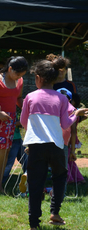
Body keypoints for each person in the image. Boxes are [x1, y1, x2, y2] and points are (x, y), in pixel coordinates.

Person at [20, 57, 88, 230]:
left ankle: (34, 223)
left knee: (35, 183)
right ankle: (54, 212)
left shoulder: (30, 97)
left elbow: (23, 121)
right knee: (59, 179)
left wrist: (33, 135)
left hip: (36, 145)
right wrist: (76, 114)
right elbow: (66, 124)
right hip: (57, 146)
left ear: (38, 78)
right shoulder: (62, 99)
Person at [0, 56, 28, 188]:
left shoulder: (20, 81)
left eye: (22, 75)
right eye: (17, 74)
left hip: (8, 120)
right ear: (10, 69)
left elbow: (18, 98)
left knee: (3, 150)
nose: (19, 77)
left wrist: (27, 107)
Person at [2, 118, 28, 186]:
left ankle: (28, 177)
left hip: (18, 139)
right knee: (9, 162)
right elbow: (12, 123)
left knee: (26, 159)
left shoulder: (14, 110)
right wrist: (21, 122)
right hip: (11, 140)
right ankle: (1, 181)